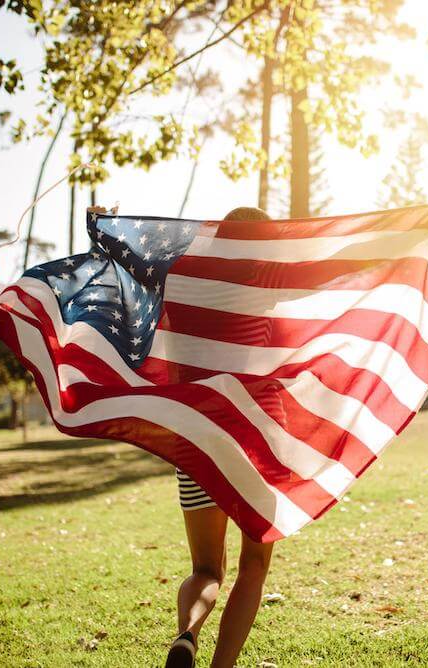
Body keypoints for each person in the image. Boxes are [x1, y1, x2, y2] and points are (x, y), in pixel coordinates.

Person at [165, 206, 275, 668]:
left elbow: (120, 277)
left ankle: (187, 635)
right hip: (258, 438)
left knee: (205, 569)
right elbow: (347, 262)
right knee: (253, 566)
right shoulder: (272, 282)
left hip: (195, 438)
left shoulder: (179, 279)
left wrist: (105, 230)